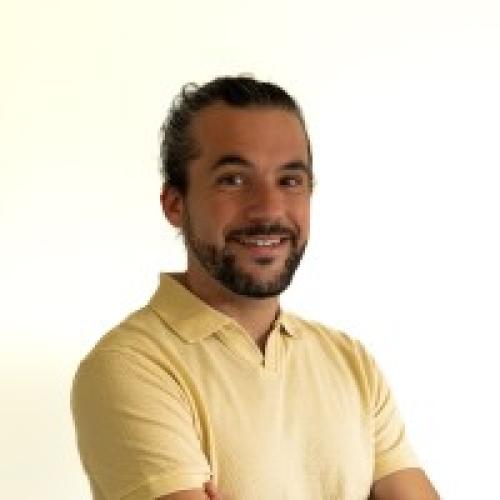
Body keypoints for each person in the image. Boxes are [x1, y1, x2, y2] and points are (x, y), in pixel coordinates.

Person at [71, 76, 439, 500]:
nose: (268, 208)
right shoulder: (130, 366)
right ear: (175, 204)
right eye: (233, 179)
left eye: (290, 180)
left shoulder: (351, 362)